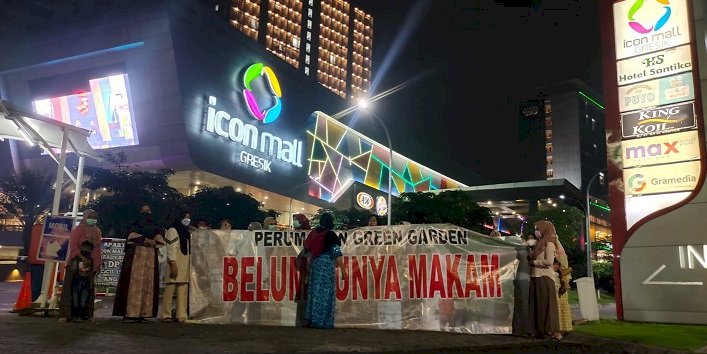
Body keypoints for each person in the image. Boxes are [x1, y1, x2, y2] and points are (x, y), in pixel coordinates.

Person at [113, 204, 165, 323]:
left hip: (150, 259)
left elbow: (160, 239)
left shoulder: (155, 226)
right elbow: (131, 238)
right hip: (136, 258)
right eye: (144, 211)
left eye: (148, 210)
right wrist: (146, 240)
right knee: (133, 284)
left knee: (148, 284)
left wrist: (151, 241)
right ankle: (130, 313)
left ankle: (143, 313)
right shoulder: (133, 225)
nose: (146, 213)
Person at [303, 212, 346, 329]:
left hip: (315, 266)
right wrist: (344, 270)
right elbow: (336, 253)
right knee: (326, 295)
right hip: (326, 266)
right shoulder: (331, 235)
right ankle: (322, 322)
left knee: (314, 293)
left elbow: (309, 253)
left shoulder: (313, 233)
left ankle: (311, 320)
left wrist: (308, 271)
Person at [58, 209, 102, 323]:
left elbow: (97, 249)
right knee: (73, 288)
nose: (92, 219)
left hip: (90, 263)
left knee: (87, 290)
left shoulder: (97, 231)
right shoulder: (78, 230)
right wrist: (82, 258)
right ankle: (70, 314)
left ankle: (84, 314)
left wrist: (97, 264)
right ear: (85, 217)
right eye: (90, 216)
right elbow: (73, 246)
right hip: (76, 262)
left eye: (94, 216)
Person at [530, 220, 561, 340]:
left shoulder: (549, 244)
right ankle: (539, 330)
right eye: (536, 229)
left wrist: (534, 262)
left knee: (544, 305)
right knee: (538, 305)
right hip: (536, 276)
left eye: (538, 229)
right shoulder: (539, 244)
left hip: (544, 277)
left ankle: (547, 330)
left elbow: (549, 262)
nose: (536, 231)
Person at [162, 211, 192, 323]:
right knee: (170, 288)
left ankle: (181, 314)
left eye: (189, 217)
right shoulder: (172, 230)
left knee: (183, 288)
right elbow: (171, 247)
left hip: (184, 260)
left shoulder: (186, 231)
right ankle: (166, 314)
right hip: (175, 261)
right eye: (185, 217)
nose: (187, 219)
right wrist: (173, 263)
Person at [554, 236, 574, 334]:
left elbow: (564, 270)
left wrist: (565, 281)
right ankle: (562, 328)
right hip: (560, 283)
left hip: (559, 284)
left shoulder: (560, 255)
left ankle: (560, 328)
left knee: (559, 306)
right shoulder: (560, 254)